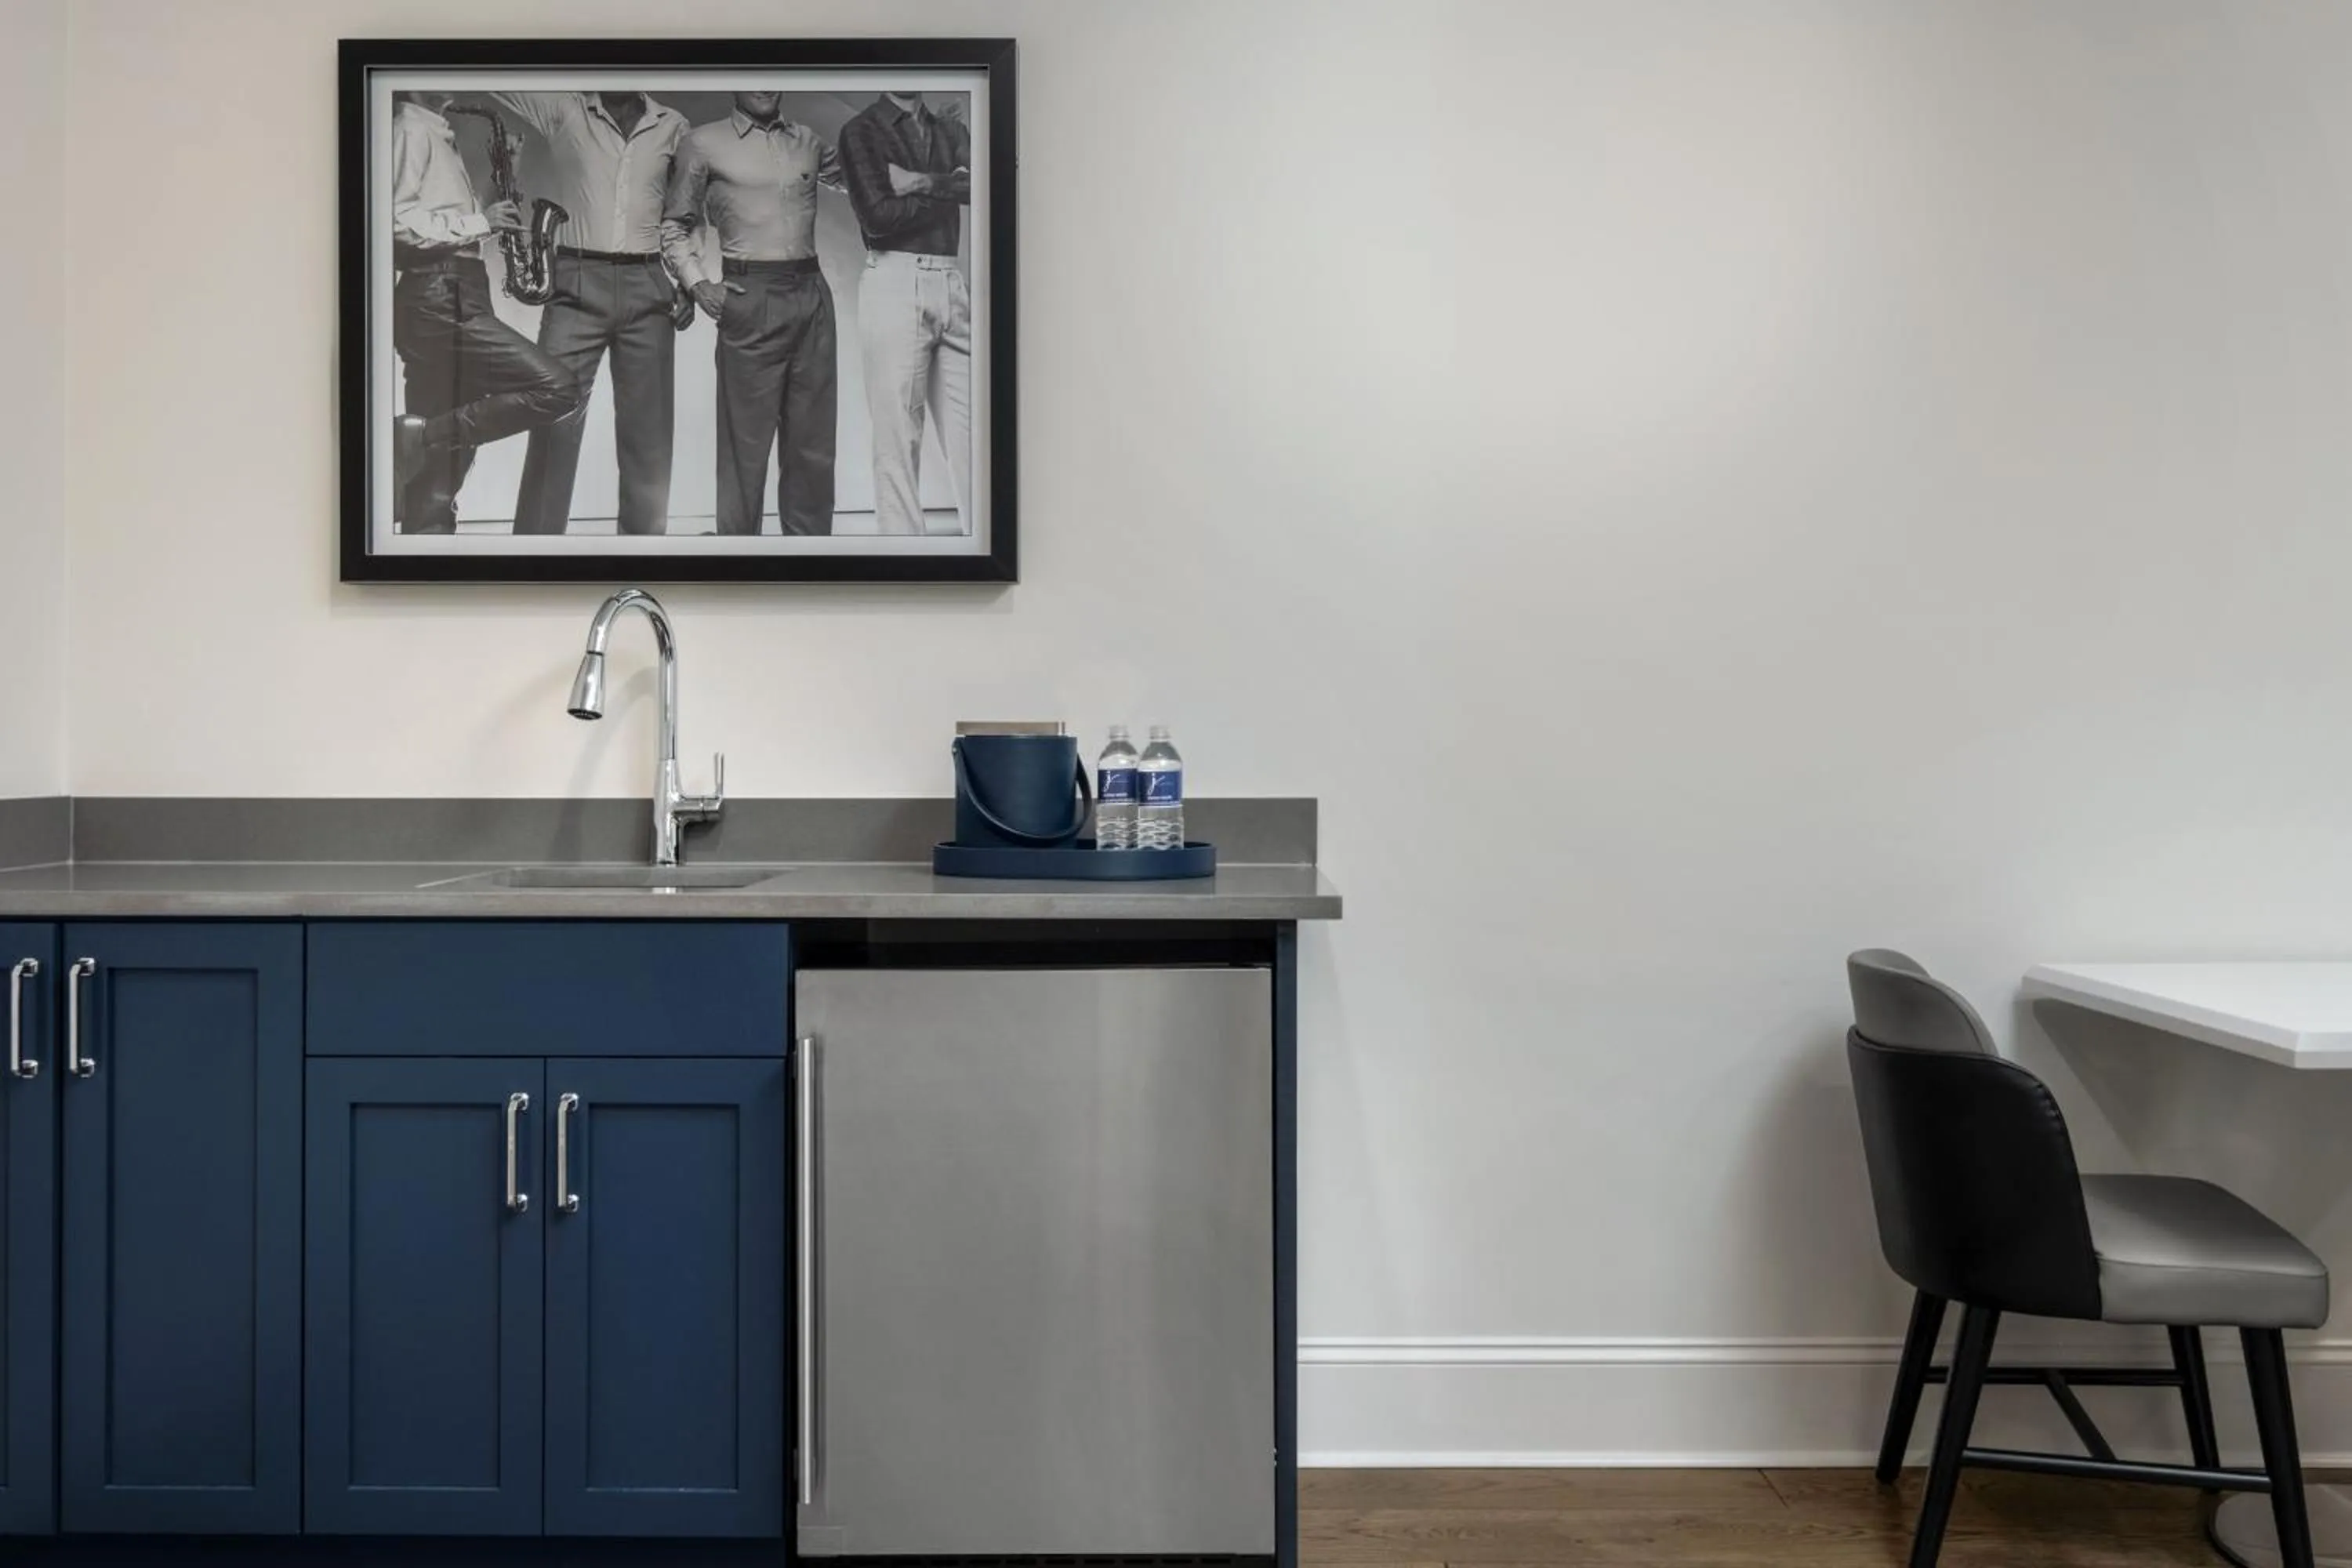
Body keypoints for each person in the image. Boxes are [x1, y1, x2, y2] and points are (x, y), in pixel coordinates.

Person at [482, 89, 691, 536]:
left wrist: (689, 280)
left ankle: (643, 558)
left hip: (648, 279)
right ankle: (535, 557)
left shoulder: (673, 125)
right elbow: (499, 75)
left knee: (648, 437)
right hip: (575, 277)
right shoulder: (564, 109)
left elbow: (686, 211)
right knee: (553, 420)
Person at [389, 92, 585, 535]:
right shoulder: (411, 127)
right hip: (439, 293)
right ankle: (419, 434)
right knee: (559, 388)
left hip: (455, 289)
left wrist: (504, 179)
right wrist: (482, 223)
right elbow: (394, 222)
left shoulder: (435, 127)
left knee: (440, 472)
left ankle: (425, 543)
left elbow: (444, 216)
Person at [659, 91, 844, 537]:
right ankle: (738, 564)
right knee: (745, 449)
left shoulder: (809, 141)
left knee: (813, 448)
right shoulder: (702, 143)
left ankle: (808, 566)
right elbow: (674, 224)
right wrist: (698, 284)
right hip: (751, 293)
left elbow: (864, 178)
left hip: (811, 292)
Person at [838, 91, 973, 538]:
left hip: (952, 280)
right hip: (894, 277)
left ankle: (987, 555)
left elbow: (980, 185)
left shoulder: (949, 128)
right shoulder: (862, 131)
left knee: (976, 436)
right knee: (897, 441)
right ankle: (906, 565)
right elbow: (878, 217)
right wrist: (947, 184)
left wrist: (915, 181)